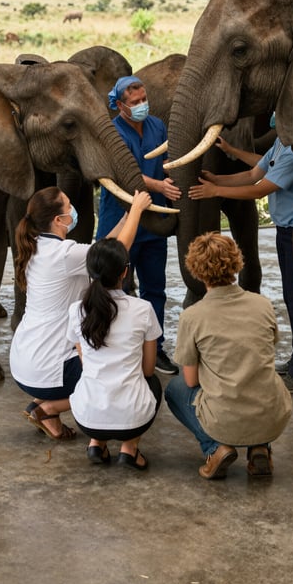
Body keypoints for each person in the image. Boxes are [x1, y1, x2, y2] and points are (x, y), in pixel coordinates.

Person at [10, 185, 152, 440]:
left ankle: (44, 410)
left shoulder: (38, 246)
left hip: (23, 364)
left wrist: (124, 218)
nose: (73, 209)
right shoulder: (64, 254)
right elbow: (114, 254)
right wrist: (138, 212)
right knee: (114, 368)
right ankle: (47, 408)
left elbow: (100, 249)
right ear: (59, 220)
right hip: (48, 370)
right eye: (68, 206)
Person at [187, 121, 293, 393]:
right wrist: (219, 176)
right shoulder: (282, 142)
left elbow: (259, 188)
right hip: (285, 229)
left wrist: (217, 191)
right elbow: (255, 171)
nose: (273, 119)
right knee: (292, 295)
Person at [165, 233, 292, 479]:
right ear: (236, 263)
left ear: (196, 270)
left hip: (224, 419)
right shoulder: (262, 304)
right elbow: (266, 349)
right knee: (257, 373)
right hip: (272, 413)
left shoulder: (192, 316)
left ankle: (215, 448)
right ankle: (260, 447)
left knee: (175, 389)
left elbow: (191, 381)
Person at [96, 75, 181, 375]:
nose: (142, 105)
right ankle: (114, 348)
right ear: (120, 106)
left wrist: (170, 178)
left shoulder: (157, 125)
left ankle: (154, 350)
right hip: (120, 218)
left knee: (155, 288)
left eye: (144, 99)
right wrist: (160, 186)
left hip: (154, 220)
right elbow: (124, 172)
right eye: (135, 103)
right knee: (116, 287)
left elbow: (167, 159)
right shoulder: (112, 133)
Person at [66, 238, 163, 470]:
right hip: (132, 420)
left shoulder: (77, 310)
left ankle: (96, 443)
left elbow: (83, 358)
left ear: (89, 272)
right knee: (154, 383)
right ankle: (129, 448)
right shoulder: (143, 309)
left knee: (90, 374)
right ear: (125, 272)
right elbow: (148, 369)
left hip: (86, 417)